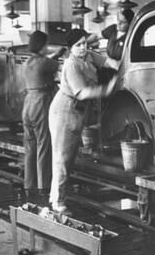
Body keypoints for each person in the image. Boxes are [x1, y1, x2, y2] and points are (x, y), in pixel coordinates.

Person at [48, 29, 118, 214]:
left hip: (78, 110)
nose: (83, 47)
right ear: (70, 48)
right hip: (65, 109)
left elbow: (105, 60)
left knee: (68, 158)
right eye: (78, 45)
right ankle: (57, 202)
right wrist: (106, 89)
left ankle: (57, 195)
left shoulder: (87, 55)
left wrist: (120, 67)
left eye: (85, 43)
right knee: (62, 158)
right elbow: (82, 92)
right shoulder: (71, 64)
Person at [21, 30, 60, 198]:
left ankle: (29, 185)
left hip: (28, 103)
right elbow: (56, 65)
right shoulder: (45, 63)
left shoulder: (28, 61)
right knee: (44, 143)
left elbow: (47, 61)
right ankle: (44, 186)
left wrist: (54, 55)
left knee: (30, 146)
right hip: (40, 103)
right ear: (42, 46)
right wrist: (59, 54)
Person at [85, 8, 135, 82]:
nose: (118, 23)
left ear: (129, 24)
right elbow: (96, 36)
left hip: (122, 69)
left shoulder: (131, 36)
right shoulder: (113, 29)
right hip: (109, 66)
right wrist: (84, 42)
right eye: (118, 20)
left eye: (123, 22)